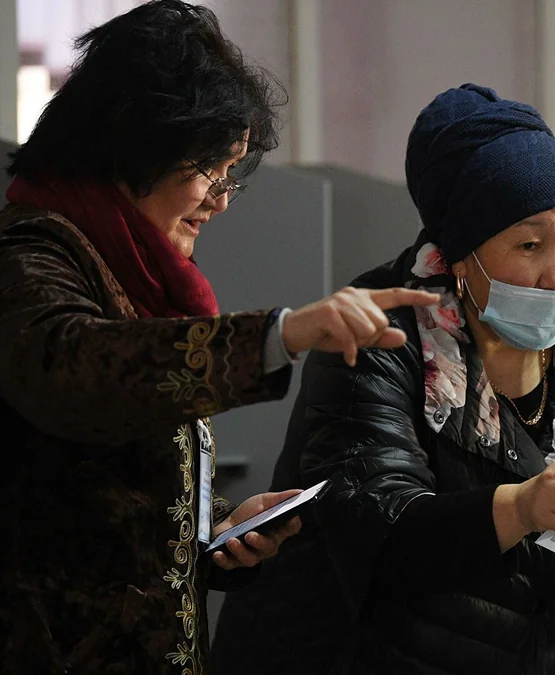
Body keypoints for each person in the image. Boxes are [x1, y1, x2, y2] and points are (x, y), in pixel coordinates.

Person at [0, 3, 436, 673]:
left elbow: (102, 491)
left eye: (230, 174)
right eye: (209, 169)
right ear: (135, 145)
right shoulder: (30, 256)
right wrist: (283, 333)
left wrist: (214, 527)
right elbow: (81, 372)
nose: (221, 200)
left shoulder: (132, 270)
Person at [211, 83, 555, 674]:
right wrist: (522, 506)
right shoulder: (378, 338)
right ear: (461, 255)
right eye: (529, 244)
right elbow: (380, 539)